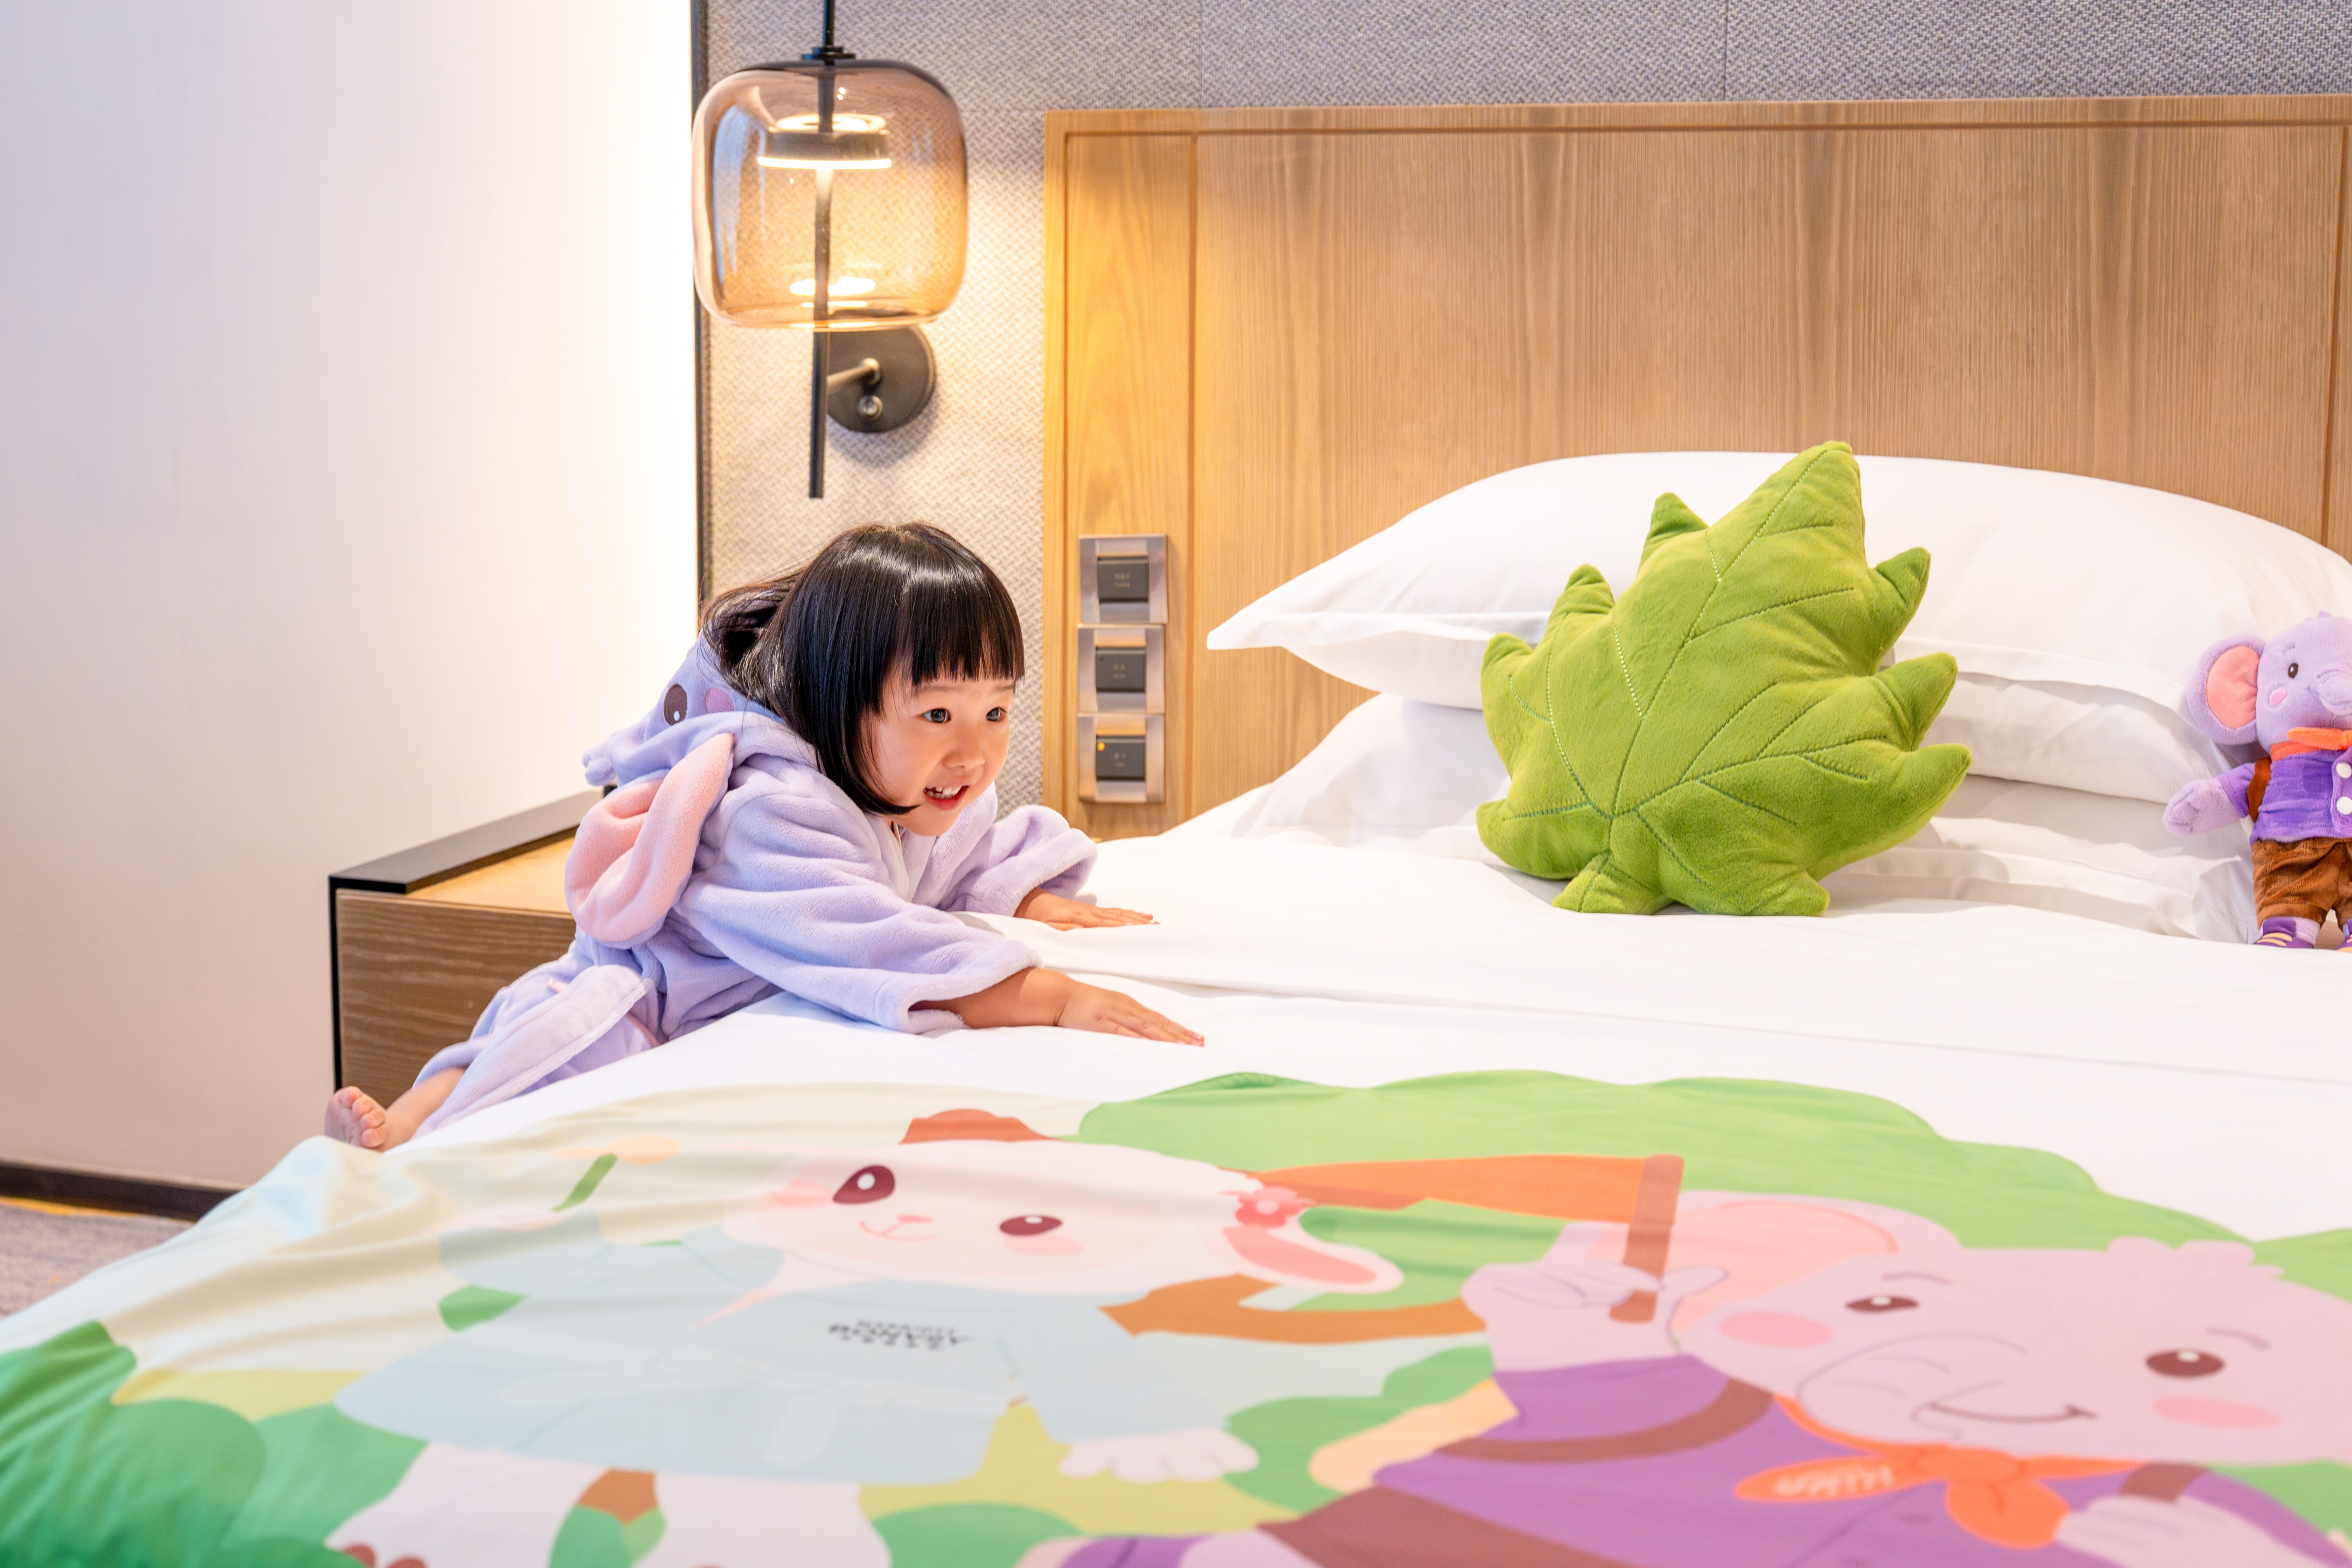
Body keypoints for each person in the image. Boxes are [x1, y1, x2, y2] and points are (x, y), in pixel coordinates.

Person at [327, 523, 1198, 1151]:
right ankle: (400, 1133)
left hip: (709, 997)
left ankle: (410, 1120)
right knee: (528, 1062)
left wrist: (1027, 893)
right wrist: (1049, 993)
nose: (972, 751)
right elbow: (867, 935)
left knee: (508, 1051)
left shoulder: (923, 789)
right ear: (838, 703)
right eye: (936, 713)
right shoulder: (773, 809)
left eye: (996, 711)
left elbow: (967, 855)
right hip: (648, 1001)